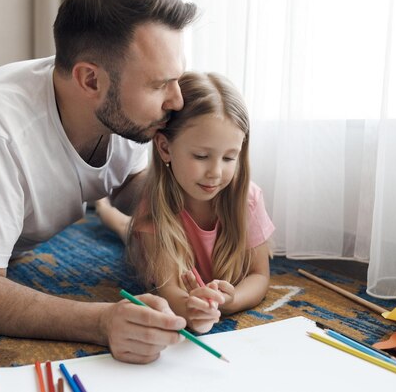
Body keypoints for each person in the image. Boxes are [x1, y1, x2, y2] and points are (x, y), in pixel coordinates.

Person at [0, 0, 198, 364]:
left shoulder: (125, 115)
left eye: (177, 79)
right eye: (159, 85)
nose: (178, 100)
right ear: (90, 80)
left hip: (1, 159)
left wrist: (207, 206)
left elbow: (130, 185)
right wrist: (102, 322)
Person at [96, 72, 275, 334]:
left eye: (229, 158)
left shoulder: (248, 198)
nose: (215, 172)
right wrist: (189, 307)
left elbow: (260, 276)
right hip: (148, 238)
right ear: (166, 148)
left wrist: (231, 299)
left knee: (126, 226)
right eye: (202, 156)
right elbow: (168, 289)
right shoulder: (154, 205)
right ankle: (102, 206)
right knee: (123, 227)